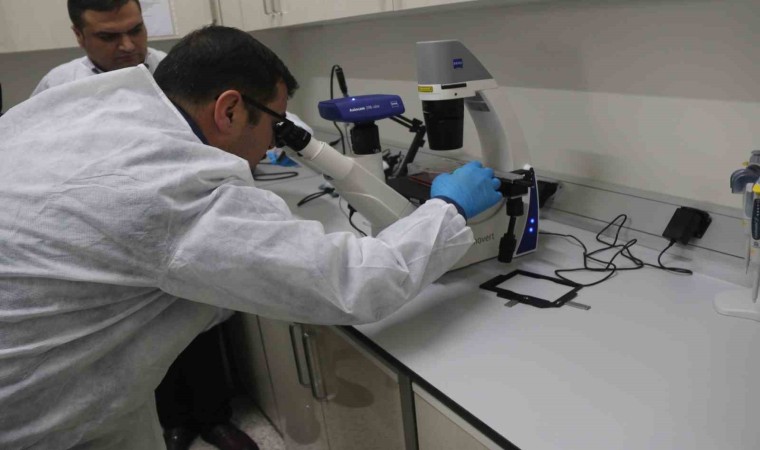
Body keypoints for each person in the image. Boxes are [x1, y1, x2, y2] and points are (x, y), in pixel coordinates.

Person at [0, 25, 503, 450]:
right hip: (39, 418)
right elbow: (353, 283)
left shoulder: (98, 103)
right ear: (229, 110)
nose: (272, 142)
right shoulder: (176, 189)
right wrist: (450, 209)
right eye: (275, 123)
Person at [29, 3, 305, 449]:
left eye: (136, 30)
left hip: (190, 221)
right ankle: (175, 424)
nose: (128, 45)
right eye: (108, 37)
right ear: (80, 36)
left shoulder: (173, 71)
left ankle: (215, 419)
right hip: (117, 234)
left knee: (203, 327)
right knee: (148, 343)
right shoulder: (59, 87)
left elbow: (261, 110)